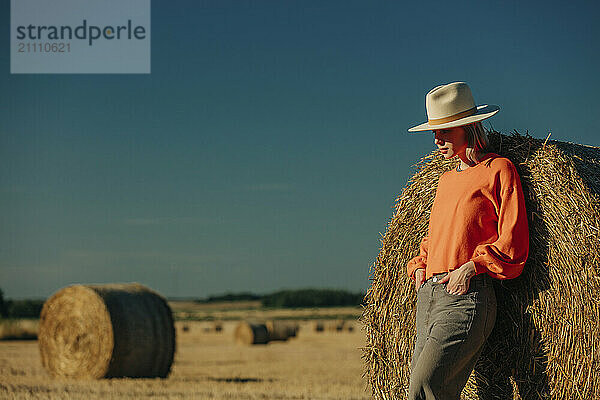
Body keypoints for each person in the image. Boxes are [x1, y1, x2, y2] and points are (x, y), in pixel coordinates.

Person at [404, 82, 529, 400]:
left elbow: (513, 240)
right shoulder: (445, 181)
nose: (437, 139)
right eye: (435, 132)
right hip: (429, 298)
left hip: (465, 298)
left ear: (467, 127)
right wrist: (421, 266)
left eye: (445, 130)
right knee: (418, 393)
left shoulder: (498, 170)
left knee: (426, 388)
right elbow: (436, 237)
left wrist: (471, 267)